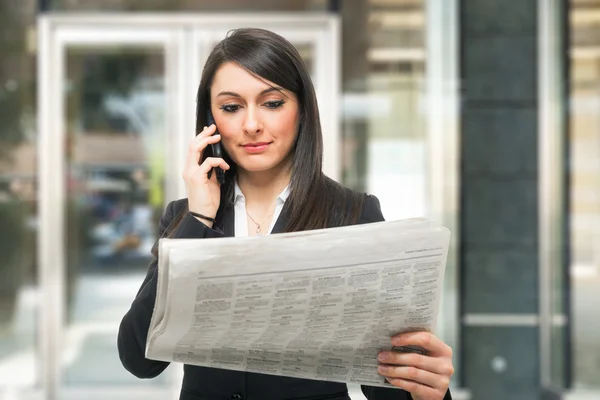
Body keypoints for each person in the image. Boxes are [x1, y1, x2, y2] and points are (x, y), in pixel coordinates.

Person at [117, 28, 454, 400]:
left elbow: (387, 386)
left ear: (301, 109)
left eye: (272, 103)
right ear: (211, 121)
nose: (251, 125)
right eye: (231, 107)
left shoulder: (352, 213)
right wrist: (199, 219)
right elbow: (139, 360)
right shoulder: (186, 217)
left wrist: (427, 388)